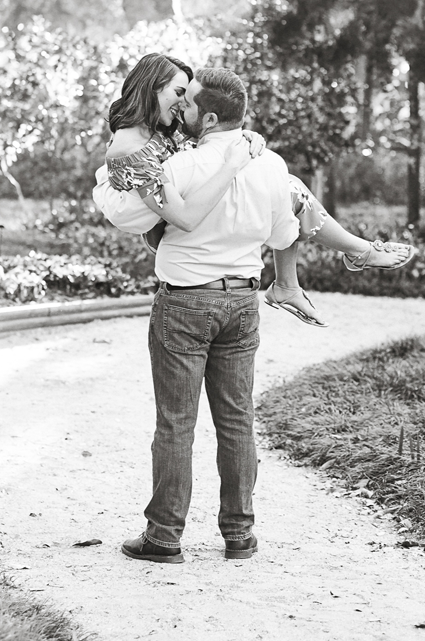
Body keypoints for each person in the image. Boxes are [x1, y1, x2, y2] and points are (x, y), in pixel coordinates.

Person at [93, 52, 415, 326]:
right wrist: (234, 162)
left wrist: (245, 138)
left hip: (173, 206)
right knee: (285, 186)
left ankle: (298, 280)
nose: (181, 103)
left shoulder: (157, 128)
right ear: (153, 89)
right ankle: (346, 257)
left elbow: (204, 138)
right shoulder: (129, 147)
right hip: (160, 222)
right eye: (179, 92)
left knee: (284, 185)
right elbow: (184, 217)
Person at [120, 68, 295, 562]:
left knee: (176, 423)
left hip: (184, 303)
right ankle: (239, 535)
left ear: (210, 116)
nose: (181, 111)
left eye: (189, 105)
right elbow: (284, 236)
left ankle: (163, 537)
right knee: (238, 421)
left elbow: (147, 225)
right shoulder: (273, 165)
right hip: (242, 301)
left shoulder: (179, 165)